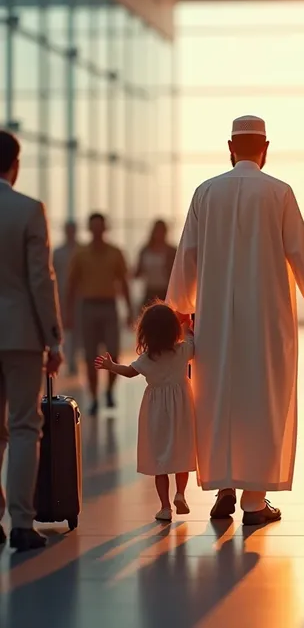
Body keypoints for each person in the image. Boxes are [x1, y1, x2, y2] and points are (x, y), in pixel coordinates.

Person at [166, 115, 304, 526]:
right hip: (266, 318)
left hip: (216, 322)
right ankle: (255, 502)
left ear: (230, 147)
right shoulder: (278, 193)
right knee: (263, 400)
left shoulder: (205, 193)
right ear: (265, 147)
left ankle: (224, 485)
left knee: (218, 396)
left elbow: (187, 254)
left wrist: (181, 307)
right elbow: (300, 252)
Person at [0, 130, 63, 552]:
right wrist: (53, 339)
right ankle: (22, 523)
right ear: (15, 165)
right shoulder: (27, 210)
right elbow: (41, 279)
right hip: (20, 334)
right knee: (24, 426)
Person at [94, 302, 195, 522]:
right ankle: (180, 493)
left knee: (161, 459)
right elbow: (191, 339)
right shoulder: (182, 351)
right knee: (180, 454)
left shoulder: (148, 359)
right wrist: (186, 324)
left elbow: (130, 372)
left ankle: (165, 507)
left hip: (156, 411)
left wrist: (111, 366)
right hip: (182, 409)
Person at [66, 213, 133, 416]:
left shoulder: (115, 253)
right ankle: (94, 397)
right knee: (90, 355)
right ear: (89, 228)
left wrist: (129, 310)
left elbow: (124, 282)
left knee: (113, 351)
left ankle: (110, 390)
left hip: (109, 305)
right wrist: (67, 313)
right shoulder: (81, 253)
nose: (97, 231)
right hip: (88, 306)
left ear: (105, 228)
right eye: (93, 227)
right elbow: (71, 285)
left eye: (100, 227)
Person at [53, 220, 81, 376]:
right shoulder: (58, 253)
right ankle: (67, 358)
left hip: (79, 295)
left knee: (76, 328)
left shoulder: (81, 250)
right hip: (61, 295)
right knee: (65, 327)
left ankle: (72, 359)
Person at [135, 220, 177, 309]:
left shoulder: (171, 251)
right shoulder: (145, 250)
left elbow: (176, 273)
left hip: (165, 291)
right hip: (149, 291)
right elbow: (137, 272)